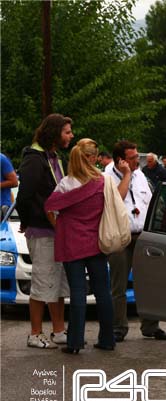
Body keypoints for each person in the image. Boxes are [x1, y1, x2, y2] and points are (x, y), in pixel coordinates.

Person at [44, 139, 115, 354]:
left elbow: (49, 206)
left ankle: (75, 342)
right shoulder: (103, 181)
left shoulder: (66, 184)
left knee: (77, 293)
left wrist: (59, 225)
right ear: (92, 158)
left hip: (72, 243)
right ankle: (107, 339)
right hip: (96, 243)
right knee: (103, 292)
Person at [105, 140, 166, 342]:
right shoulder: (106, 178)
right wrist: (126, 175)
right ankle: (118, 327)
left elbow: (150, 203)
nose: (137, 161)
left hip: (141, 236)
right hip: (119, 236)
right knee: (119, 285)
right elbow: (116, 200)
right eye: (133, 158)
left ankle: (151, 326)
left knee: (148, 282)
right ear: (120, 160)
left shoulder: (140, 176)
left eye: (137, 157)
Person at [16, 113, 73, 349]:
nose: (71, 136)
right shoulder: (34, 159)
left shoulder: (55, 157)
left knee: (57, 282)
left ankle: (58, 330)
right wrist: (28, 221)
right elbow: (24, 196)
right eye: (67, 132)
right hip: (41, 230)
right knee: (42, 282)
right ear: (54, 133)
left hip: (56, 230)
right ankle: (35, 333)